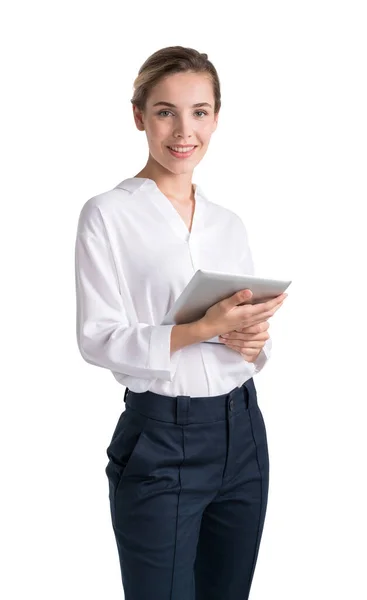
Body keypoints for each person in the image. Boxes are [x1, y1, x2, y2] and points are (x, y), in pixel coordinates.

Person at [74, 45, 287, 600]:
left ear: (216, 117)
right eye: (165, 111)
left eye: (199, 111)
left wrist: (250, 336)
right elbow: (97, 338)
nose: (183, 130)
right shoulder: (107, 214)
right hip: (161, 441)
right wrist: (203, 328)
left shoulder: (228, 223)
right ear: (139, 116)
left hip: (243, 436)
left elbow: (243, 345)